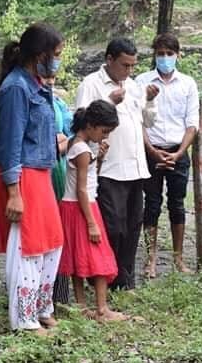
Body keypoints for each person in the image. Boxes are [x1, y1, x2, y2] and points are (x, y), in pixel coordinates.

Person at [0, 23, 65, 335]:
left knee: (51, 242)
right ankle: (24, 318)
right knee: (28, 246)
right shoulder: (16, 88)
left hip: (42, 172)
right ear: (40, 55)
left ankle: (41, 306)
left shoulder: (38, 84)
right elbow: (9, 143)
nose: (58, 61)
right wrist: (14, 192)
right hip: (23, 177)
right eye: (56, 55)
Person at [75, 38, 159, 291]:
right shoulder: (91, 84)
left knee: (133, 227)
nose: (129, 71)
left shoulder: (133, 86)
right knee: (113, 227)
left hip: (135, 167)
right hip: (109, 168)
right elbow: (81, 123)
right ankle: (104, 277)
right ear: (109, 60)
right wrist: (110, 102)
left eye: (133, 66)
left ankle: (125, 280)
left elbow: (148, 122)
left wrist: (151, 100)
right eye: (125, 65)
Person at [58, 100, 131, 322]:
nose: (105, 136)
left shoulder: (75, 143)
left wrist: (99, 158)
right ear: (90, 125)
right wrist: (91, 222)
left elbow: (90, 177)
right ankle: (102, 309)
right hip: (83, 207)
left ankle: (81, 306)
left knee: (78, 256)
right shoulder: (81, 150)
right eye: (104, 131)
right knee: (100, 257)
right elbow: (82, 189)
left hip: (73, 206)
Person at [136, 33, 199, 278]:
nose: (165, 58)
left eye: (169, 54)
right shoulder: (142, 81)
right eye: (160, 54)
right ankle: (150, 260)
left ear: (177, 55)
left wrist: (180, 152)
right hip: (150, 149)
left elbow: (191, 123)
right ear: (154, 54)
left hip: (178, 150)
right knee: (151, 204)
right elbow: (139, 120)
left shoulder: (187, 84)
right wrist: (151, 150)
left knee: (177, 204)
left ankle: (178, 258)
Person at [42, 74, 74, 305]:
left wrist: (62, 142)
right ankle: (38, 294)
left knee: (60, 233)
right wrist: (58, 143)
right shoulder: (30, 99)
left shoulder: (59, 102)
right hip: (41, 173)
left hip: (60, 173)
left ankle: (59, 296)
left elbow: (72, 134)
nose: (51, 79)